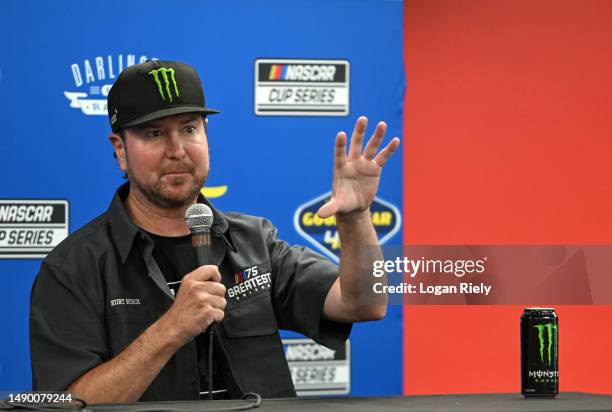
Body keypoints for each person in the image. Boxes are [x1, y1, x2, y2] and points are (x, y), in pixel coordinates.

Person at [29, 60, 400, 403]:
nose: (177, 150)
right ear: (120, 149)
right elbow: (68, 404)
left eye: (189, 128)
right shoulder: (73, 267)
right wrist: (171, 328)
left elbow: (364, 303)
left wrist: (355, 218)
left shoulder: (254, 241)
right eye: (154, 134)